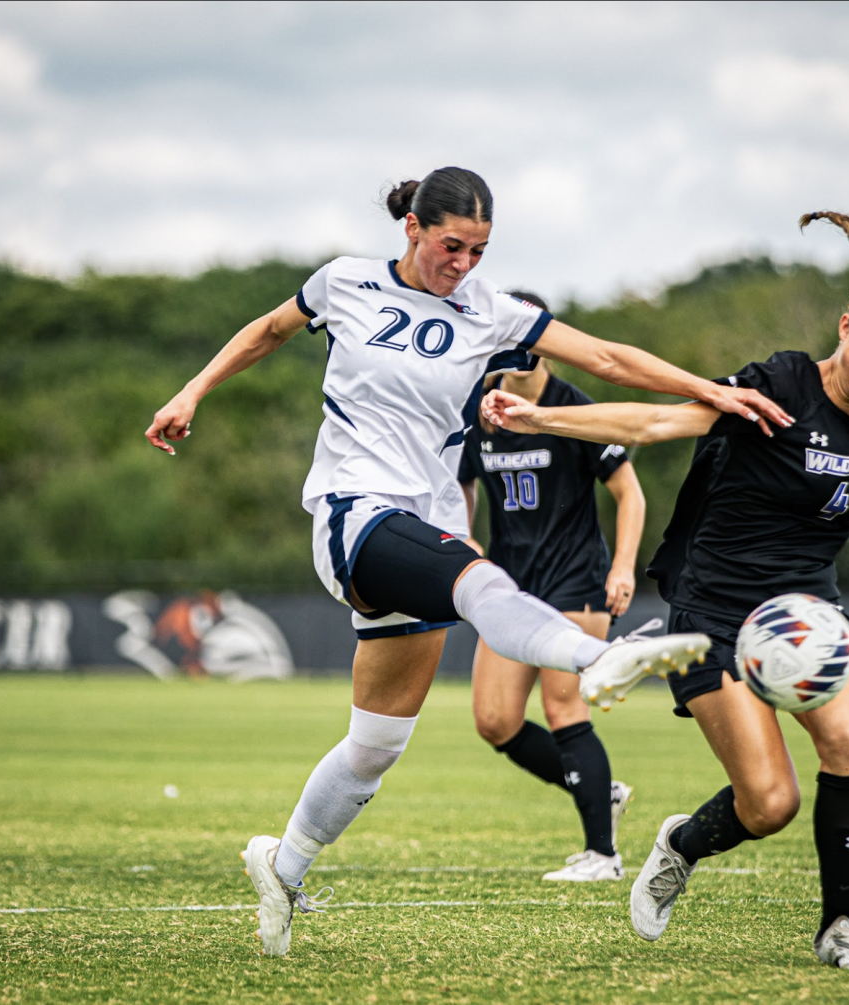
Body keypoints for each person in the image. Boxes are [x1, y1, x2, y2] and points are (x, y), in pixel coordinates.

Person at [144, 166, 792, 957]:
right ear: (412, 227)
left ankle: (283, 864)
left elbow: (610, 359)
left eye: (480, 250)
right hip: (355, 514)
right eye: (453, 246)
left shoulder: (493, 312)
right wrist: (193, 390)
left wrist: (713, 391)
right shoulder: (345, 282)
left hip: (424, 524)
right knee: (480, 579)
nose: (464, 265)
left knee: (375, 746)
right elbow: (268, 330)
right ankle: (607, 658)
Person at [482, 210, 849, 971]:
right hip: (712, 615)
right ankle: (681, 843)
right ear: (847, 324)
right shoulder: (779, 385)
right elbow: (658, 423)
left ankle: (839, 926)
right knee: (769, 804)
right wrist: (544, 417)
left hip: (805, 616)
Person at [459, 290, 645, 882]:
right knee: (495, 721)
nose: (514, 363)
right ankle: (599, 791)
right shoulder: (480, 411)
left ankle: (603, 856)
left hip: (574, 581)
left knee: (562, 707)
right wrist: (465, 539)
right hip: (508, 586)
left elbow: (629, 493)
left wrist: (622, 567)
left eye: (527, 350)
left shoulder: (576, 411)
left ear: (546, 350)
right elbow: (459, 483)